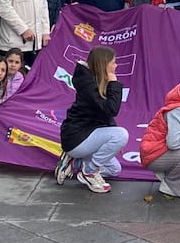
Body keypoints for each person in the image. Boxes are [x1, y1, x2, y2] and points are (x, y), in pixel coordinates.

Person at [54, 47, 128, 193]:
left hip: (86, 135)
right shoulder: (89, 85)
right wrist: (114, 84)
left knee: (114, 170)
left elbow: (105, 115)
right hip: (76, 138)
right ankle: (88, 172)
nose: (116, 66)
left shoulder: (96, 81)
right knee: (121, 135)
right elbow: (111, 109)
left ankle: (75, 162)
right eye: (113, 62)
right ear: (104, 64)